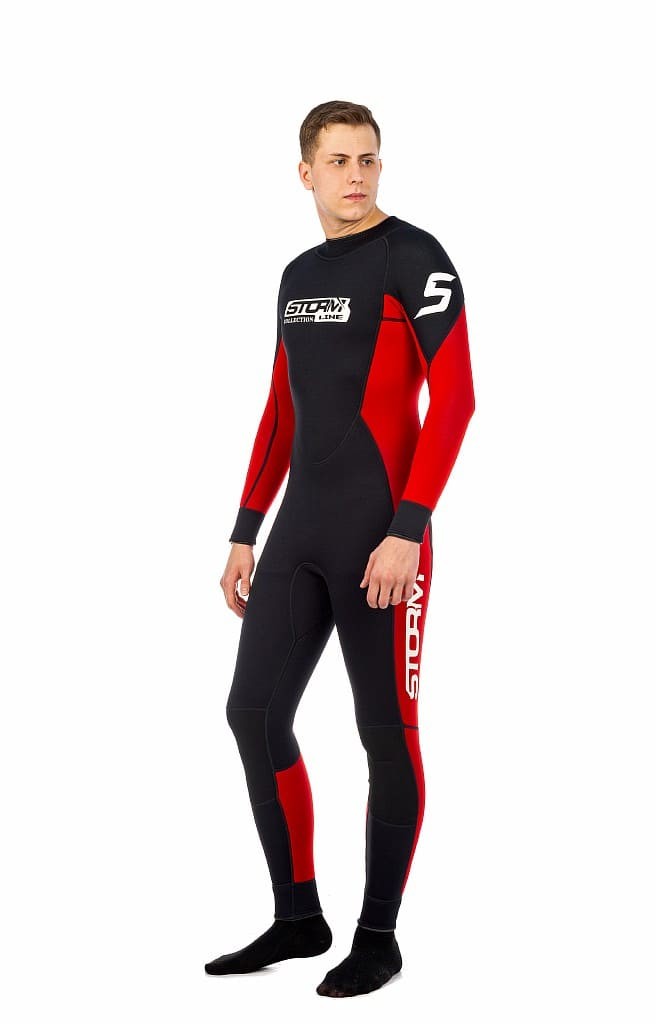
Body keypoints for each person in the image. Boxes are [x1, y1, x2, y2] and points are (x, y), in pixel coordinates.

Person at [204, 99, 475, 996]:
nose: (355, 176)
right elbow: (281, 410)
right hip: (299, 533)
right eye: (337, 161)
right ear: (305, 173)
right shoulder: (296, 275)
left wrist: (407, 530)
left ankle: (377, 937)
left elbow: (456, 397)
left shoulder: (414, 257)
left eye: (368, 159)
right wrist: (245, 529)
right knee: (253, 713)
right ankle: (298, 918)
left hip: (381, 537)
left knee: (384, 733)